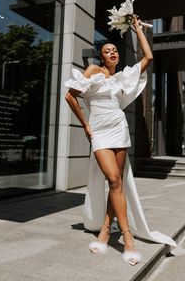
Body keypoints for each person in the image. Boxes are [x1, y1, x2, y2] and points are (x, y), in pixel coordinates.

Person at [64, 15, 176, 266]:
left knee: (118, 184)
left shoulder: (121, 78)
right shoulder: (94, 71)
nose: (113, 53)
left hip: (119, 129)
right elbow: (70, 97)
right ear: (101, 56)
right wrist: (85, 124)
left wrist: (137, 28)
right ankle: (127, 238)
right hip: (100, 133)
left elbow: (148, 58)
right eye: (107, 51)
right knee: (113, 179)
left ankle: (106, 229)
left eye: (115, 50)